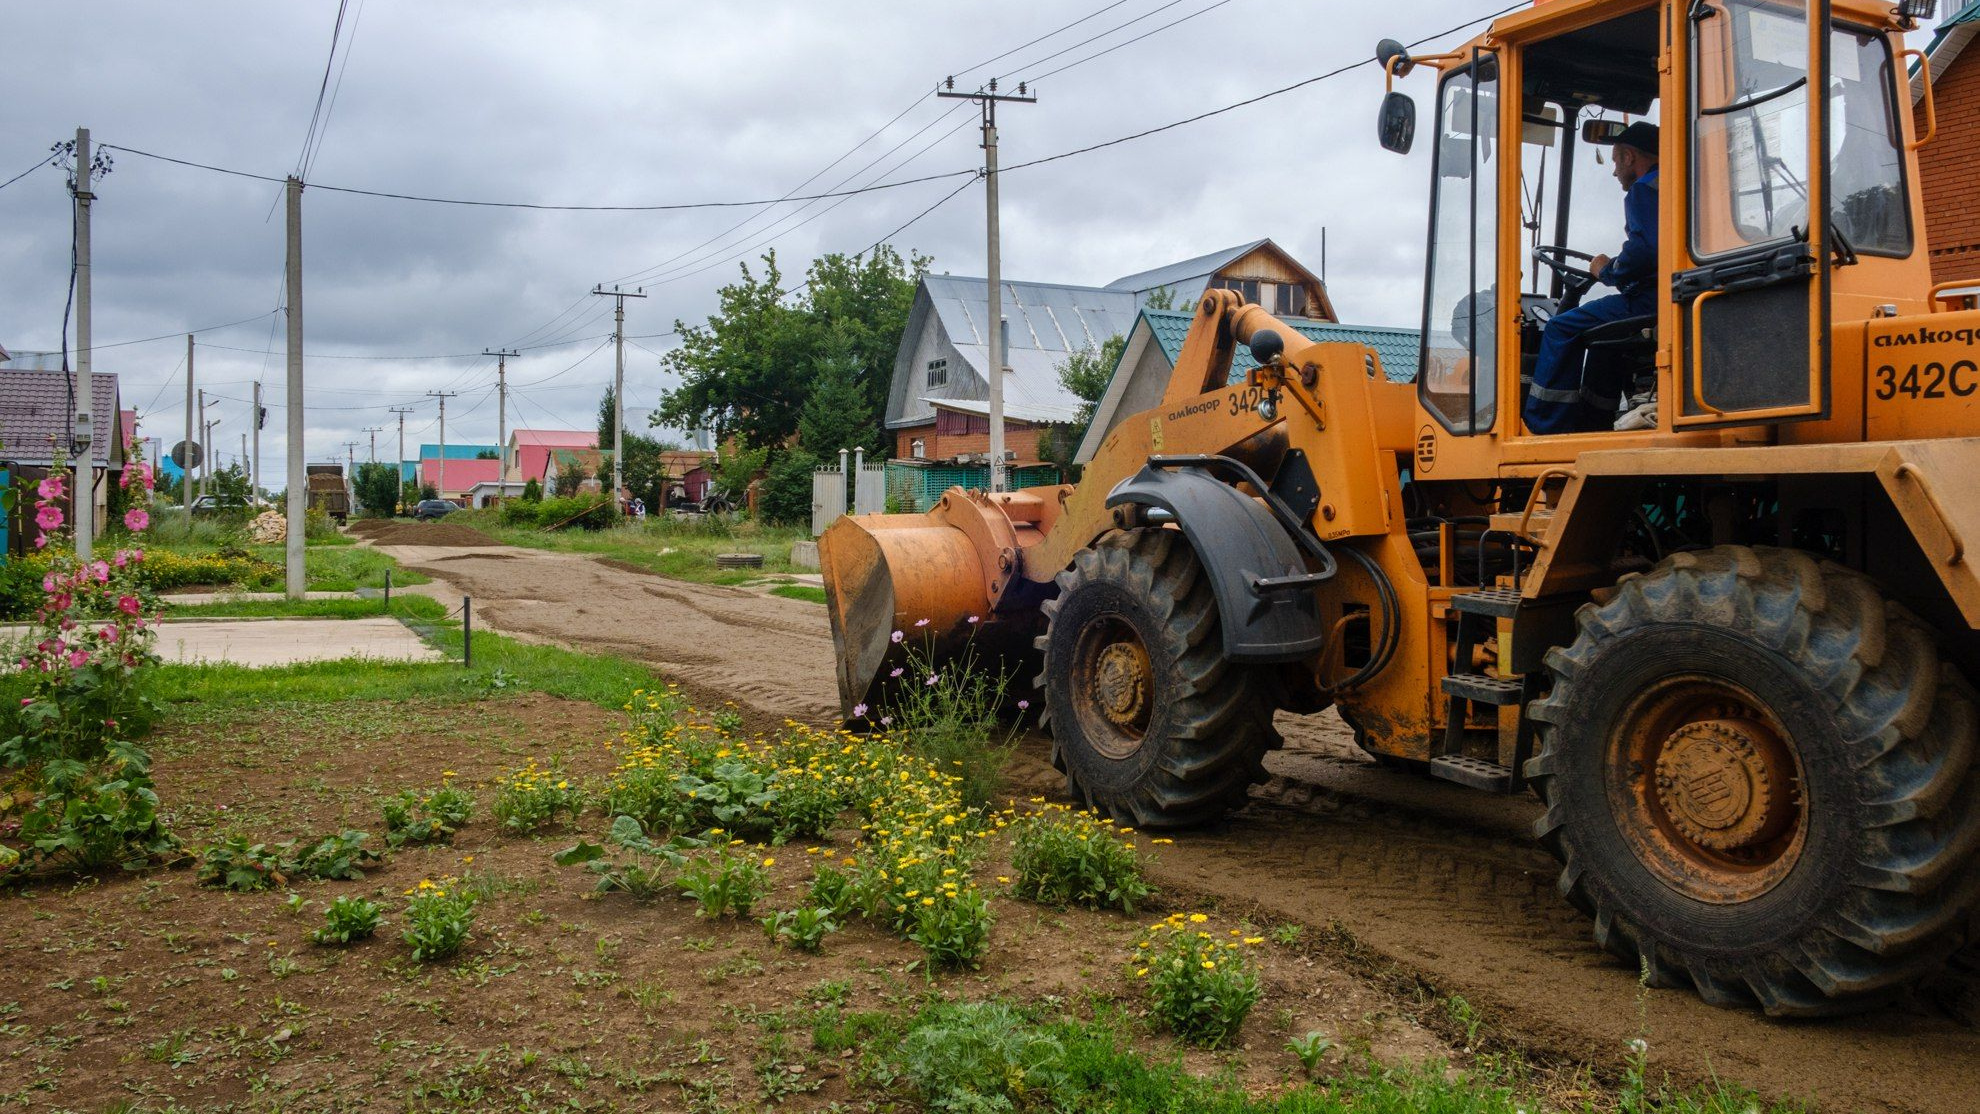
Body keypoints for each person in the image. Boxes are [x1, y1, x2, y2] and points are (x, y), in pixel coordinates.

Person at [1524, 121, 1659, 434]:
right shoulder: (1679, 183)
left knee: (1560, 328)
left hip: (1649, 300)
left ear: (1628, 157)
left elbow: (1645, 250)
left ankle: (1543, 425)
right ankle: (1595, 422)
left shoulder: (1645, 188)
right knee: (1602, 344)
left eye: (1614, 161)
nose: (1614, 172)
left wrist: (1606, 270)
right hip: (1669, 292)